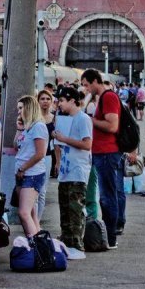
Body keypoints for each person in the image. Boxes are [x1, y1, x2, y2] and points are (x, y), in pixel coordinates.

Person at [82, 68, 125, 249]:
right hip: (101, 153)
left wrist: (90, 120)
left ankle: (111, 238)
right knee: (105, 196)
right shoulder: (102, 98)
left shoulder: (108, 97)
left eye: (86, 85)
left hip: (108, 153)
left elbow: (112, 126)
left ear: (94, 81)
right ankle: (108, 235)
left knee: (108, 197)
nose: (85, 89)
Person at [52, 86, 92, 251]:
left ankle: (76, 244)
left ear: (72, 101)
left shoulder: (83, 119)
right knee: (65, 210)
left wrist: (64, 139)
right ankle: (66, 241)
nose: (59, 104)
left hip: (77, 171)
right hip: (66, 170)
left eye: (62, 100)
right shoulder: (65, 119)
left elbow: (87, 144)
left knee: (75, 211)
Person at [13, 94, 49, 238]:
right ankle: (36, 239)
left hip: (32, 174)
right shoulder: (27, 127)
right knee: (31, 213)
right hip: (22, 173)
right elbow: (16, 146)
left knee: (24, 213)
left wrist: (23, 168)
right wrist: (19, 129)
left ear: (29, 108)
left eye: (21, 108)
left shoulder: (38, 127)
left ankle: (36, 244)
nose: (18, 111)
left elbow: (40, 153)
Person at [36, 88, 57, 220]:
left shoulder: (55, 119)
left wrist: (58, 162)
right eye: (42, 99)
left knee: (42, 191)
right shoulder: (34, 117)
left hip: (47, 156)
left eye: (48, 99)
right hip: (34, 156)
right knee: (34, 191)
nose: (45, 101)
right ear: (38, 101)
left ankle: (37, 221)